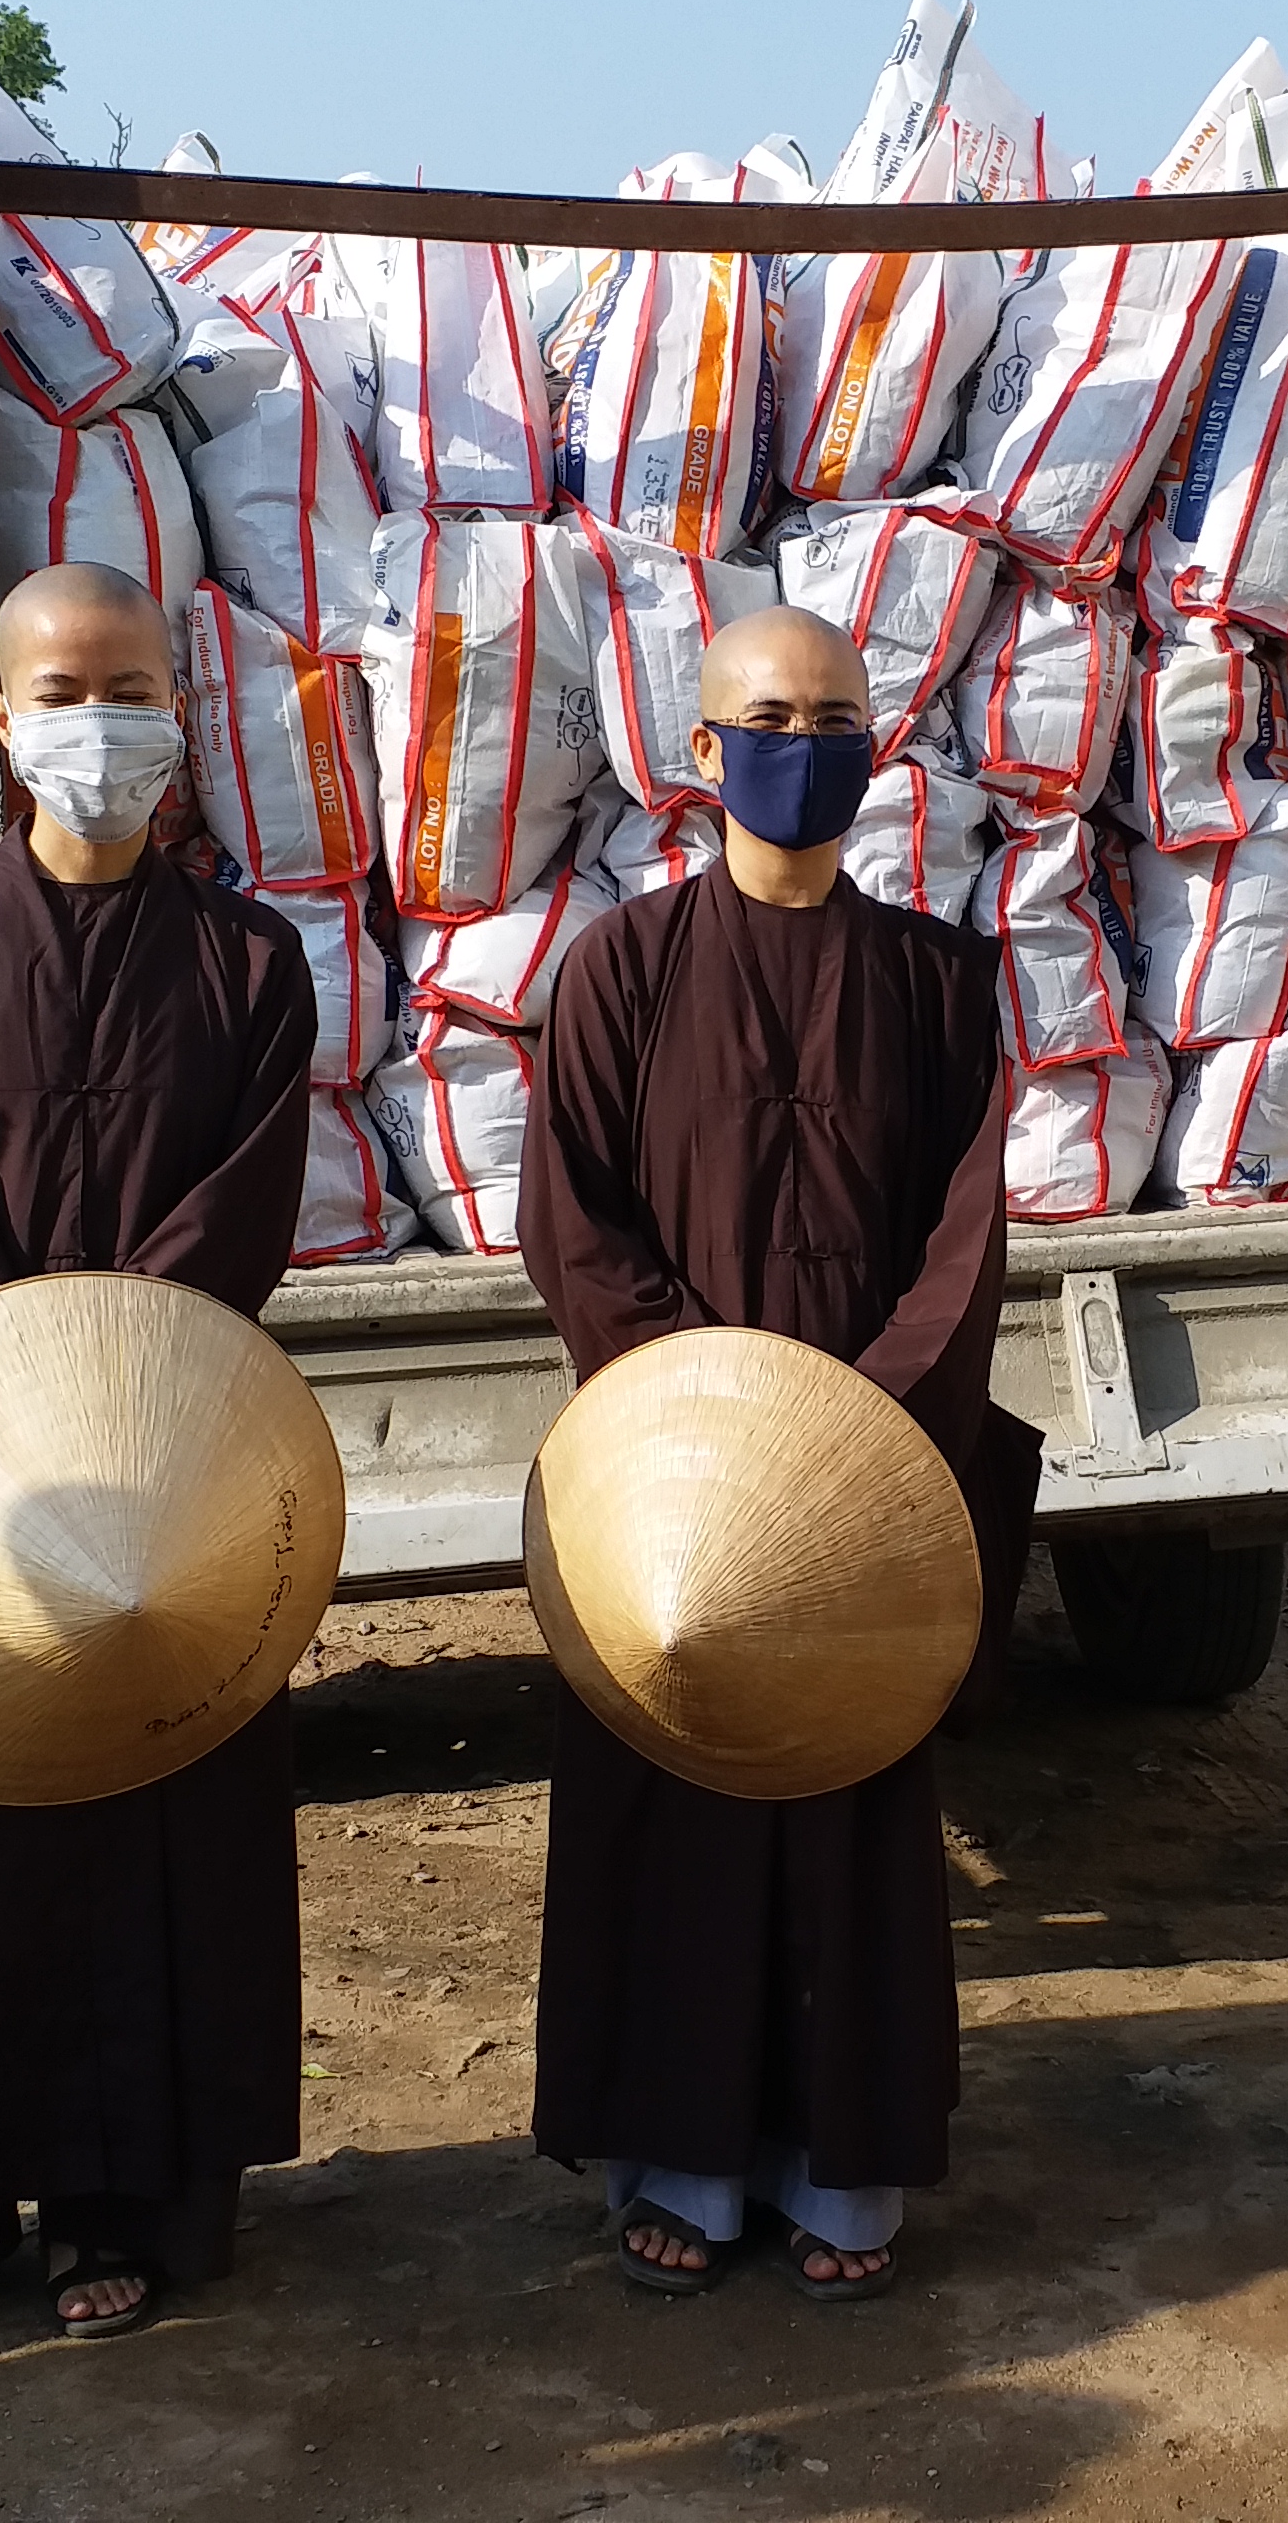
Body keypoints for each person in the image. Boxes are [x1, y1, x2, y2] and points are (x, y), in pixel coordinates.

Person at [0, 560, 315, 2350]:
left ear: (178, 709)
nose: (99, 724)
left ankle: (124, 2204)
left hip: (171, 1462)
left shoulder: (249, 959)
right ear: (0, 717)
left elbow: (234, 1208)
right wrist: (11, 1390)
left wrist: (106, 1383)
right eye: (61, 689)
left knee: (151, 1840)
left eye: (131, 686)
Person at [519, 602, 1027, 2304]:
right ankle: (677, 2161)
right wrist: (704, 1433)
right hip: (669, 1495)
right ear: (701, 749)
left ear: (875, 749)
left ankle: (842, 2166)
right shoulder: (620, 970)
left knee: (853, 1815)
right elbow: (572, 1220)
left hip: (873, 1481)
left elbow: (963, 1237)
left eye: (834, 715)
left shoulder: (939, 981)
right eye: (769, 715)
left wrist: (851, 1432)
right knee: (673, 1807)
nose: (802, 743)